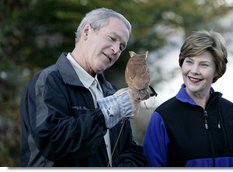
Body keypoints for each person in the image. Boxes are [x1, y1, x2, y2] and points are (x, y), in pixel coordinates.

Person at [20, 7, 148, 167]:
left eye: (122, 47)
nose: (116, 50)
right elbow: (53, 142)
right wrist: (106, 113)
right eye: (111, 38)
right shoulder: (47, 82)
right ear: (86, 31)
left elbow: (129, 149)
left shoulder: (111, 92)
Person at [143, 30, 233, 167]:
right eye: (189, 62)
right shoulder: (162, 117)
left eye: (204, 64)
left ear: (217, 70)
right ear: (182, 64)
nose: (194, 70)